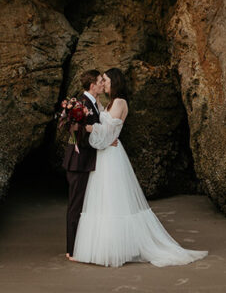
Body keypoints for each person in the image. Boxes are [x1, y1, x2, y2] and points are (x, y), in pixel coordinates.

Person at [71, 67, 208, 267]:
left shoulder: (120, 103)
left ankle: (117, 249)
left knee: (113, 201)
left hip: (111, 155)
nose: (104, 84)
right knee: (103, 200)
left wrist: (89, 128)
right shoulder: (108, 104)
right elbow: (104, 126)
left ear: (115, 82)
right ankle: (106, 248)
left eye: (107, 80)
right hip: (103, 155)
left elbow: (108, 133)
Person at [63, 68, 105, 260]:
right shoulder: (80, 103)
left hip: (87, 160)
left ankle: (83, 245)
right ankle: (71, 250)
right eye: (100, 81)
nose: (103, 84)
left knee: (85, 204)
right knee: (76, 205)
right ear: (92, 85)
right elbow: (73, 127)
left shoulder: (94, 103)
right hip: (78, 161)